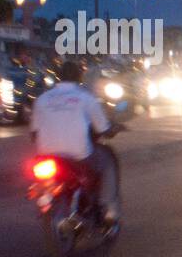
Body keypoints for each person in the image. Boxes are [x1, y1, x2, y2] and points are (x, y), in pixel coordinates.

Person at [30, 60, 121, 222]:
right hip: (78, 155)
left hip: (46, 156)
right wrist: (113, 129)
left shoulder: (42, 99)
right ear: (79, 77)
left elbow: (33, 133)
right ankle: (108, 209)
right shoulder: (85, 98)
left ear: (58, 77)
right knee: (107, 161)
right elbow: (102, 129)